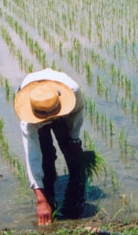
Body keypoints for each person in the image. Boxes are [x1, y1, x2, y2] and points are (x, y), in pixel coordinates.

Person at [14, 68, 85, 225]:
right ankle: (48, 193)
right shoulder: (29, 117)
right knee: (46, 155)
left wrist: (74, 139)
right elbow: (32, 154)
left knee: (68, 147)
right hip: (37, 106)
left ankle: (77, 181)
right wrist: (40, 200)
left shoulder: (72, 91)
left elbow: (77, 112)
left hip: (58, 101)